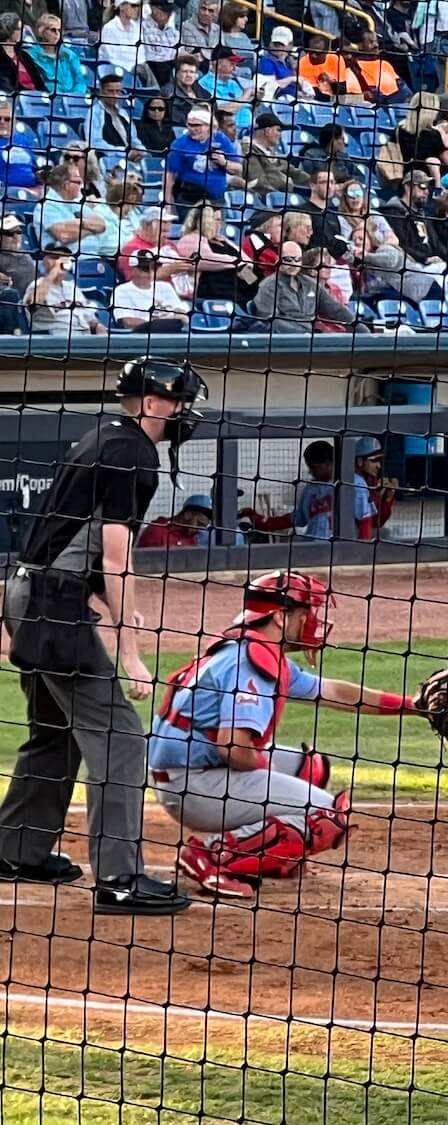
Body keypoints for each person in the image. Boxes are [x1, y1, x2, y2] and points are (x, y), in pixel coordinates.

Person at [0, 358, 205, 915]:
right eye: (181, 401)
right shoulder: (134, 454)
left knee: (56, 732)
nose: (187, 413)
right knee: (120, 740)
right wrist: (131, 653)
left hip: (31, 596)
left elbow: (61, 534)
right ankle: (119, 881)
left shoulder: (99, 438)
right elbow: (117, 558)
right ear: (154, 402)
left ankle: (17, 850)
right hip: (54, 609)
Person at [150, 572, 448, 899]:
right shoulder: (251, 664)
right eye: (306, 614)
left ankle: (265, 856)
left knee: (311, 768)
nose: (313, 622)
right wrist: (272, 781)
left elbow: (335, 692)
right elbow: (233, 747)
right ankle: (210, 856)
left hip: (188, 773)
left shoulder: (247, 649)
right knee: (328, 818)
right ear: (279, 616)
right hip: (193, 786)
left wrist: (411, 706)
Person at [250, 240, 357, 333]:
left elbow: (336, 309)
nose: (293, 264)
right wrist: (302, 332)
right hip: (282, 342)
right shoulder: (268, 286)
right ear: (278, 259)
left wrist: (357, 325)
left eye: (297, 260)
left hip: (309, 339)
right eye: (288, 259)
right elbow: (269, 320)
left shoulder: (311, 285)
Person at [240, 442, 337, 539]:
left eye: (313, 467)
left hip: (338, 547)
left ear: (328, 463)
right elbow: (296, 518)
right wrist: (262, 520)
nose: (310, 472)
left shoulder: (344, 485)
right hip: (313, 546)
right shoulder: (311, 489)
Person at [164, 106, 241, 207]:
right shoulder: (180, 144)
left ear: (208, 125)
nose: (193, 129)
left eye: (197, 125)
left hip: (216, 199)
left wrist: (224, 162)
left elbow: (239, 169)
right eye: (190, 125)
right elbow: (169, 175)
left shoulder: (221, 139)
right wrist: (167, 203)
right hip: (189, 199)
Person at [111, 250, 191, 332]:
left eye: (154, 268)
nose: (150, 272)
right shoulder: (121, 291)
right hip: (141, 336)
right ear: (133, 270)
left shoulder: (165, 287)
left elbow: (181, 312)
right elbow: (127, 322)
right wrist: (158, 323)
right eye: (146, 269)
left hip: (174, 332)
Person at [137, 494, 214, 549]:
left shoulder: (191, 538)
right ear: (188, 514)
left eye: (203, 527)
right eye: (199, 524)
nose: (199, 530)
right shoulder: (157, 531)